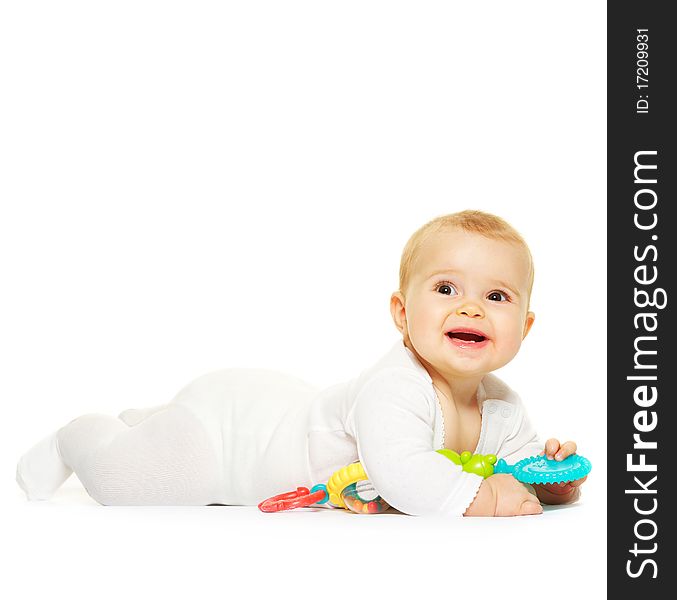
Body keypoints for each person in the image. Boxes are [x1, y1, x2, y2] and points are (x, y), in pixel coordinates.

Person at [16, 210, 587, 516]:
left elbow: (510, 466)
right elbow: (406, 476)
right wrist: (485, 500)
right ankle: (80, 437)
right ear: (400, 313)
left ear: (526, 327)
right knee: (140, 484)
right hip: (229, 438)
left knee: (163, 444)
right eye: (445, 287)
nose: (470, 306)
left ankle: (147, 423)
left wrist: (547, 481)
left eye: (497, 297)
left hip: (277, 407)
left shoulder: (505, 407)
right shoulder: (396, 387)